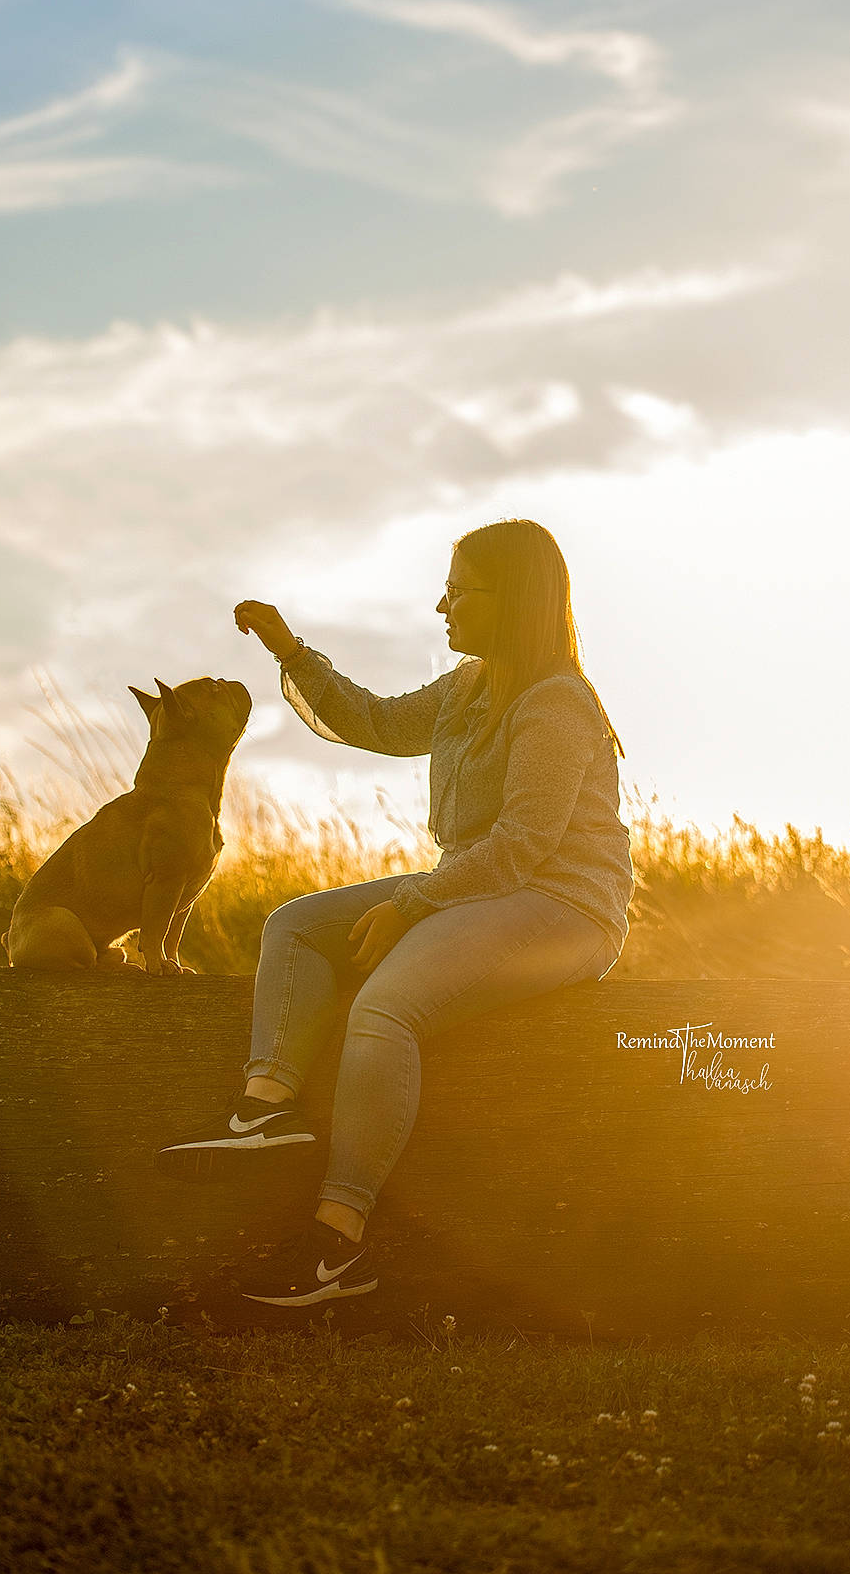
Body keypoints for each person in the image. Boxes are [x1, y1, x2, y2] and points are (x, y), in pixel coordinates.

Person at [158, 518, 635, 1308]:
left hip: (564, 907)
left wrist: (412, 905)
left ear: (510, 598)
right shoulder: (467, 688)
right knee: (294, 925)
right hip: (480, 888)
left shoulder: (559, 704)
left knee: (386, 1006)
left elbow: (522, 846)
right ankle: (265, 1113)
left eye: (459, 591)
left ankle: (333, 1243)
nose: (441, 606)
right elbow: (375, 722)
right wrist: (288, 650)